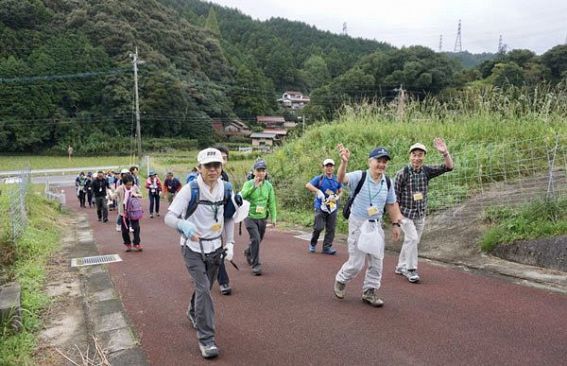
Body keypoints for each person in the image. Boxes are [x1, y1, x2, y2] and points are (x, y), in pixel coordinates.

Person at [164, 148, 236, 359]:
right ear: (199, 168)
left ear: (222, 167)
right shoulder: (190, 189)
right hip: (192, 249)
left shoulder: (227, 189)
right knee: (204, 289)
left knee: (204, 287)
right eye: (208, 166)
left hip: (215, 249)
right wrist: (183, 225)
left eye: (217, 165)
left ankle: (193, 311)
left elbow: (230, 217)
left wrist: (230, 243)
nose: (213, 170)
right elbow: (169, 217)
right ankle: (206, 339)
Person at [333, 144, 403, 307]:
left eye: (385, 161)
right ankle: (341, 279)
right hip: (358, 223)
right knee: (356, 262)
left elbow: (392, 204)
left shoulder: (387, 181)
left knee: (377, 261)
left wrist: (395, 224)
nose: (382, 164)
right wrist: (344, 163)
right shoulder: (360, 176)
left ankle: (369, 291)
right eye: (378, 160)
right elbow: (341, 179)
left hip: (375, 225)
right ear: (370, 161)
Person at [394, 138, 454, 283]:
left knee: (412, 241)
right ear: (410, 156)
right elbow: (393, 197)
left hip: (420, 214)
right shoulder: (402, 173)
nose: (417, 158)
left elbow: (449, 167)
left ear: (424, 157)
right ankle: (411, 270)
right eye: (414, 155)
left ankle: (400, 266)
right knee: (413, 239)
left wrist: (445, 153)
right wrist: (396, 219)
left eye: (420, 155)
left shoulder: (426, 171)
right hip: (405, 214)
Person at [240, 160, 277, 276]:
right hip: (249, 216)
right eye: (258, 170)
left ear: (266, 173)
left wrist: (274, 218)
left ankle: (248, 251)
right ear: (254, 172)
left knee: (258, 239)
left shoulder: (269, 186)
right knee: (255, 238)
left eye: (263, 171)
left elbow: (272, 203)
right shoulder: (248, 183)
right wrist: (254, 187)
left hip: (262, 217)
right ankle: (256, 265)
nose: (261, 173)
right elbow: (242, 195)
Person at [305, 158, 342, 255]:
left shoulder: (336, 179)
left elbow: (340, 191)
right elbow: (308, 185)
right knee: (318, 227)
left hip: (332, 206)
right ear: (324, 167)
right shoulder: (320, 178)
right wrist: (318, 191)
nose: (329, 168)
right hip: (320, 206)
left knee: (331, 228)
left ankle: (327, 247)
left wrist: (337, 197)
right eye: (327, 166)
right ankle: (313, 244)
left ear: (334, 168)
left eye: (331, 166)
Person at [214, 145, 232, 295]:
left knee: (217, 251)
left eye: (225, 158)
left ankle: (223, 281)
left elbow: (228, 211)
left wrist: (230, 241)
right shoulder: (199, 177)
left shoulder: (225, 178)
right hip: (199, 222)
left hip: (217, 222)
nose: (222, 160)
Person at [111, 173, 143, 252]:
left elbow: (141, 195)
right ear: (124, 183)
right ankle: (128, 244)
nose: (129, 186)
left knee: (136, 228)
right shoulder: (120, 188)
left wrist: (136, 194)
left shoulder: (134, 187)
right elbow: (114, 196)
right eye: (128, 185)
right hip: (123, 212)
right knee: (125, 230)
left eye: (131, 184)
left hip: (133, 211)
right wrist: (111, 195)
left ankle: (136, 243)